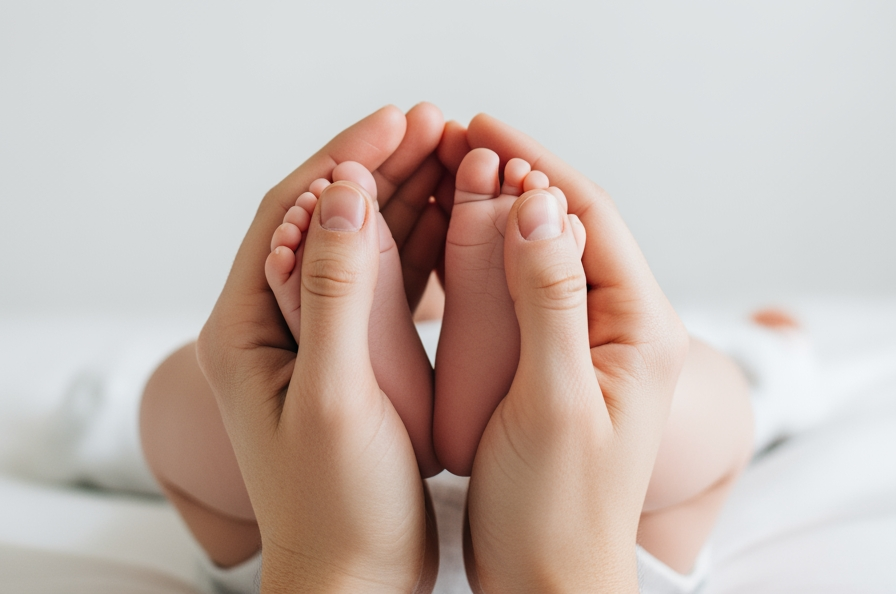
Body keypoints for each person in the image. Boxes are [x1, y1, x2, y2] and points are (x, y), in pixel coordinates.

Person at [140, 103, 756, 593]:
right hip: (590, 526)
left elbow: (107, 419)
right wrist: (779, 339)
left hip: (306, 516)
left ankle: (342, 357)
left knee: (196, 402)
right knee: (695, 399)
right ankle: (530, 366)